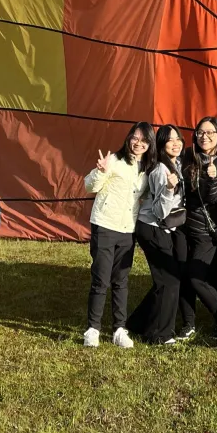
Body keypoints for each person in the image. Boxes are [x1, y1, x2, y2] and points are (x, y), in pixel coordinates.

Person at [83, 122, 151, 349]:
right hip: (105, 225)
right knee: (101, 278)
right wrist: (99, 171)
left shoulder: (146, 168)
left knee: (121, 280)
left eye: (144, 141)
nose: (138, 144)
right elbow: (89, 186)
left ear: (149, 145)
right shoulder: (114, 160)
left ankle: (119, 329)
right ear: (128, 137)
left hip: (127, 230)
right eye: (135, 138)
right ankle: (93, 329)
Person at [126, 125, 187, 345]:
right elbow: (161, 212)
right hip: (153, 227)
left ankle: (138, 322)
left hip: (159, 228)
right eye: (170, 140)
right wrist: (170, 189)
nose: (176, 143)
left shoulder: (176, 163)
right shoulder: (162, 170)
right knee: (168, 282)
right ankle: (159, 334)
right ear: (160, 145)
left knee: (165, 279)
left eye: (178, 138)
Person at [179, 117, 217, 338]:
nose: (205, 137)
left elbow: (215, 196)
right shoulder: (187, 155)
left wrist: (212, 179)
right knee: (183, 275)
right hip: (183, 226)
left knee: (196, 277)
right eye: (201, 132)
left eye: (211, 133)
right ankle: (188, 323)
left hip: (207, 231)